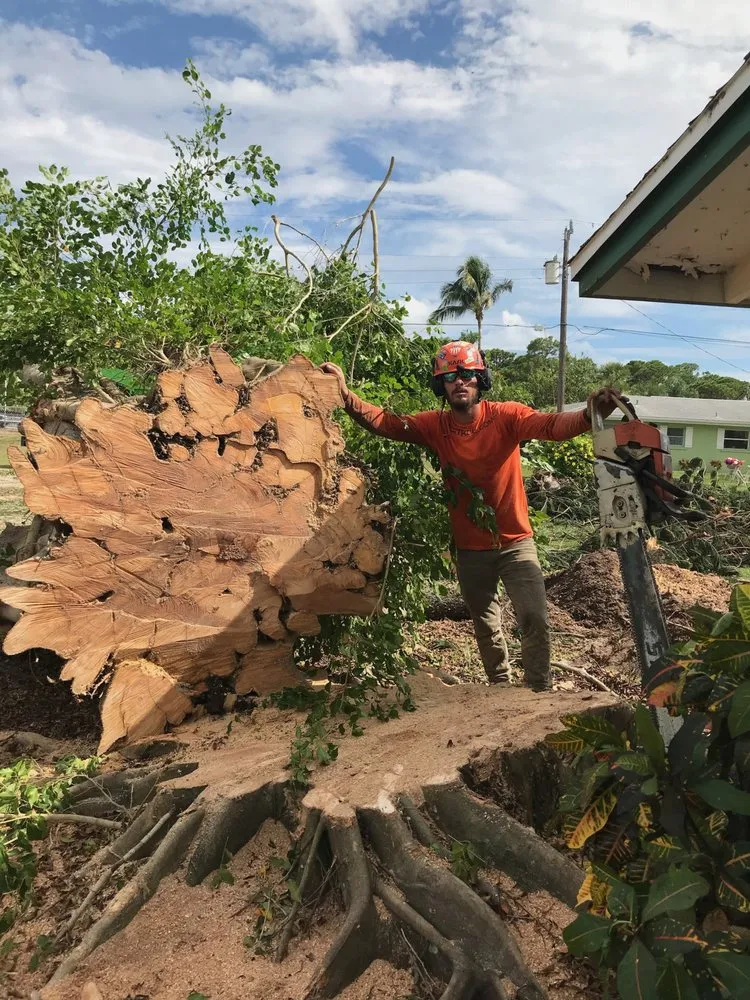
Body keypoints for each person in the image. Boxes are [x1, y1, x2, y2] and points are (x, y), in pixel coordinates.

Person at [321, 341, 621, 692]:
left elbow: (551, 426)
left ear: (480, 379)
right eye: (450, 376)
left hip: (515, 543)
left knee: (534, 616)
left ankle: (538, 689)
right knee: (484, 621)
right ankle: (498, 686)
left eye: (467, 374)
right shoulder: (436, 426)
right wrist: (344, 395)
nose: (459, 381)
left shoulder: (507, 417)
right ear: (441, 386)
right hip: (470, 548)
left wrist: (588, 416)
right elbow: (387, 423)